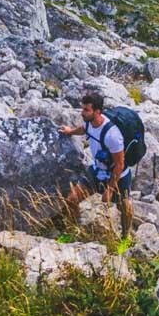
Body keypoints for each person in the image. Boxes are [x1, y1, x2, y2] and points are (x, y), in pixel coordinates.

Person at [60, 90, 133, 237]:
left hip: (118, 175)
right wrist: (70, 132)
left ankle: (125, 237)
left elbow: (119, 164)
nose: (82, 112)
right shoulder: (89, 122)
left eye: (86, 110)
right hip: (98, 170)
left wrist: (110, 189)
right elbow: (84, 129)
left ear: (97, 111)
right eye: (83, 108)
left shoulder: (113, 135)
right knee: (72, 199)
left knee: (124, 206)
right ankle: (73, 232)